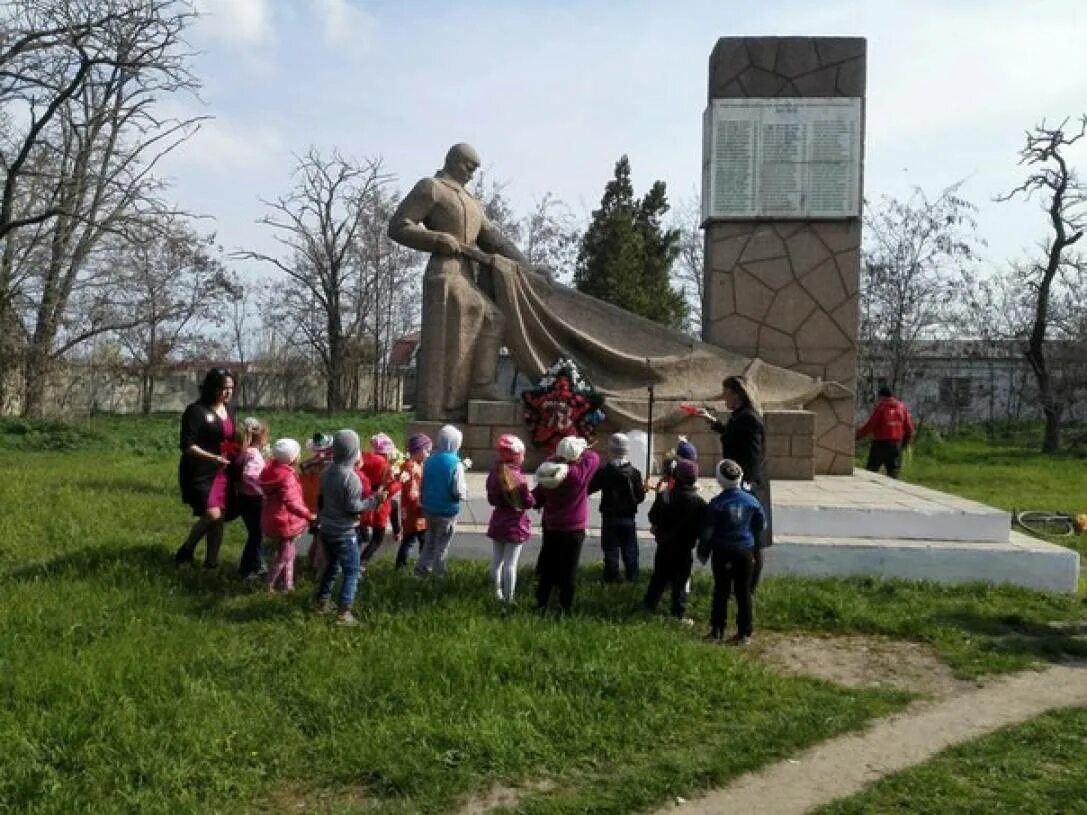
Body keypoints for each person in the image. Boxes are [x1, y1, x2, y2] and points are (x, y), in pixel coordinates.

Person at [388, 143, 529, 420]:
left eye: (475, 169)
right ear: (453, 160)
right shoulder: (432, 187)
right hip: (444, 272)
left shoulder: (471, 202)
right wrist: (436, 239)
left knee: (494, 319)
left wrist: (527, 266)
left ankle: (481, 385)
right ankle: (445, 405)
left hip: (466, 271)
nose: (471, 174)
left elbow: (494, 240)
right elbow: (399, 226)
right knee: (466, 329)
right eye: (469, 167)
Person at [698, 375, 773, 592]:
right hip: (744, 483)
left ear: (738, 394)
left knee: (753, 539)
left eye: (726, 394)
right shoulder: (741, 416)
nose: (724, 399)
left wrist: (742, 485)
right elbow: (733, 436)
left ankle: (749, 588)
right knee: (740, 537)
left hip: (750, 485)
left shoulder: (749, 419)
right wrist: (715, 423)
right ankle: (739, 584)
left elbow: (752, 456)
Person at [315, 430, 383, 626]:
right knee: (352, 570)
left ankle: (322, 602)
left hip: (327, 529)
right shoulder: (351, 478)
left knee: (332, 566)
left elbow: (321, 499)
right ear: (354, 451)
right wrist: (373, 501)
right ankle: (344, 613)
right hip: (344, 533)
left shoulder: (327, 470)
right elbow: (353, 508)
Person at [698, 459, 766, 645]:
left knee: (721, 590)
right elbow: (761, 524)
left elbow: (708, 533)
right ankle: (744, 633)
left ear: (719, 479)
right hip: (745, 552)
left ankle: (717, 631)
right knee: (744, 592)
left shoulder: (716, 504)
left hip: (722, 552)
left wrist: (703, 551)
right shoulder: (752, 501)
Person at [176, 368, 237, 568]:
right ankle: (186, 549)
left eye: (231, 388)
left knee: (218, 520)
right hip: (199, 471)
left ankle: (211, 563)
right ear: (212, 388)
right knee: (212, 515)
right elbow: (187, 445)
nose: (228, 392)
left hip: (224, 472)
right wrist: (212, 458)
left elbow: (229, 438)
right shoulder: (196, 411)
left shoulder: (230, 409)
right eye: (223, 388)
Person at [532, 436, 601, 614]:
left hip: (552, 525)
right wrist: (584, 449)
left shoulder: (548, 472)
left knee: (549, 567)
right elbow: (594, 457)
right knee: (568, 570)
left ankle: (542, 603)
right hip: (573, 528)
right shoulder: (578, 475)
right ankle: (564, 606)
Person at [644, 458, 706, 623]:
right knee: (681, 581)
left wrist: (658, 525)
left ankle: (649, 605)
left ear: (676, 476)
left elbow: (652, 516)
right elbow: (702, 527)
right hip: (684, 549)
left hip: (664, 545)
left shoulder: (666, 495)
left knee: (659, 577)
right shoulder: (699, 502)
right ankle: (678, 612)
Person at [588, 432, 646, 582]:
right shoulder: (635, 473)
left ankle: (611, 579)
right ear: (627, 450)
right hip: (628, 518)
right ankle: (632, 578)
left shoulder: (605, 471)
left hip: (609, 517)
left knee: (611, 551)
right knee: (630, 550)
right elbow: (640, 497)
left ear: (610, 450)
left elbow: (591, 487)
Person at [486, 434, 535, 605]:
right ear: (516, 455)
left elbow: (491, 498)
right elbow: (528, 502)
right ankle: (509, 597)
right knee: (511, 563)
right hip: (515, 523)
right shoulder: (518, 478)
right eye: (522, 453)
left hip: (498, 519)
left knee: (497, 560)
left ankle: (495, 592)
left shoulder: (494, 473)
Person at [261, 439, 315, 593]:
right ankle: (269, 584)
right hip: (285, 520)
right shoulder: (287, 478)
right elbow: (291, 502)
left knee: (289, 552)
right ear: (292, 459)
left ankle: (288, 585)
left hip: (272, 516)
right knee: (285, 555)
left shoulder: (271, 471)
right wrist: (307, 514)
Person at [416, 425, 469, 579]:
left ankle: (421, 572)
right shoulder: (456, 463)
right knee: (442, 546)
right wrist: (465, 494)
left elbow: (423, 483)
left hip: (429, 509)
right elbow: (458, 490)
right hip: (447, 512)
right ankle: (439, 576)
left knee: (429, 543)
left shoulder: (430, 460)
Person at [358, 433, 403, 570]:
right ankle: (362, 562)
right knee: (378, 538)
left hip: (364, 497)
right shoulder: (385, 465)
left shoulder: (365, 459)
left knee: (394, 506)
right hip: (381, 501)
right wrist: (400, 482)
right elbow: (390, 488)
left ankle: (396, 530)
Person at [234, 417, 269, 579]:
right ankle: (248, 569)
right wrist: (263, 489)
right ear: (260, 437)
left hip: (242, 498)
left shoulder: (244, 451)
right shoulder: (253, 454)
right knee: (256, 535)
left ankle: (255, 564)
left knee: (254, 533)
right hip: (254, 500)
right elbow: (249, 475)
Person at [856, 386, 916, 479]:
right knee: (893, 472)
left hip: (880, 444)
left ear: (882, 396)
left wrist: (857, 436)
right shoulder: (902, 407)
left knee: (871, 470)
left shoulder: (881, 408)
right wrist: (906, 442)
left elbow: (870, 425)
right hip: (896, 444)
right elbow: (909, 427)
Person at [395, 433, 432, 569]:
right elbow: (412, 493)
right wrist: (423, 502)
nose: (428, 453)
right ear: (418, 450)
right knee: (418, 539)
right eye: (427, 450)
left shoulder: (415, 465)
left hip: (412, 512)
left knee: (412, 538)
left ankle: (402, 567)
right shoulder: (411, 468)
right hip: (416, 512)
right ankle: (421, 566)